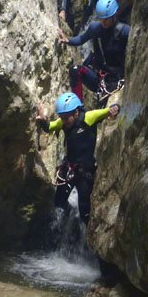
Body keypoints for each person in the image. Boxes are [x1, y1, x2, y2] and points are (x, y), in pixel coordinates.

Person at [35, 92, 119, 226]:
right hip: (70, 169)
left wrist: (115, 108)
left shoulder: (88, 117)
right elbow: (49, 127)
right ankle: (71, 220)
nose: (63, 121)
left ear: (75, 112)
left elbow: (107, 110)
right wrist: (42, 119)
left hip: (86, 171)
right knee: (59, 202)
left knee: (85, 209)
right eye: (61, 117)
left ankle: (88, 235)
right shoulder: (62, 123)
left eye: (66, 117)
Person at [58, 0, 130, 107]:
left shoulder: (124, 31)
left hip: (118, 79)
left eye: (106, 18)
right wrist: (68, 40)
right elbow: (81, 39)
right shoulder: (95, 28)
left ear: (114, 15)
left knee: (109, 107)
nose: (103, 22)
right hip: (100, 78)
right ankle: (78, 108)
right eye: (101, 18)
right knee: (75, 70)